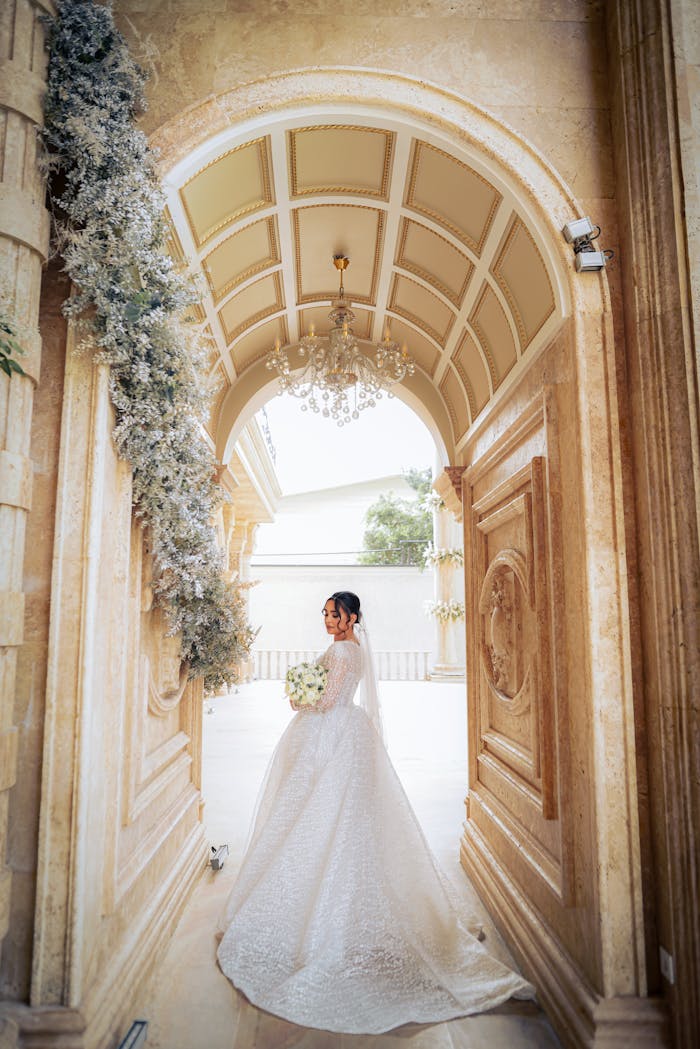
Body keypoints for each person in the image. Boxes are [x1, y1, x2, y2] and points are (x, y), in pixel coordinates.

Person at [216, 591, 534, 1034]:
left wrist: (298, 697)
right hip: (345, 732)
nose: (328, 619)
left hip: (331, 734)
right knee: (337, 820)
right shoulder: (353, 647)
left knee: (322, 815)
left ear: (351, 617)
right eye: (325, 613)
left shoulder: (344, 650)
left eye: (334, 613)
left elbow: (327, 701)